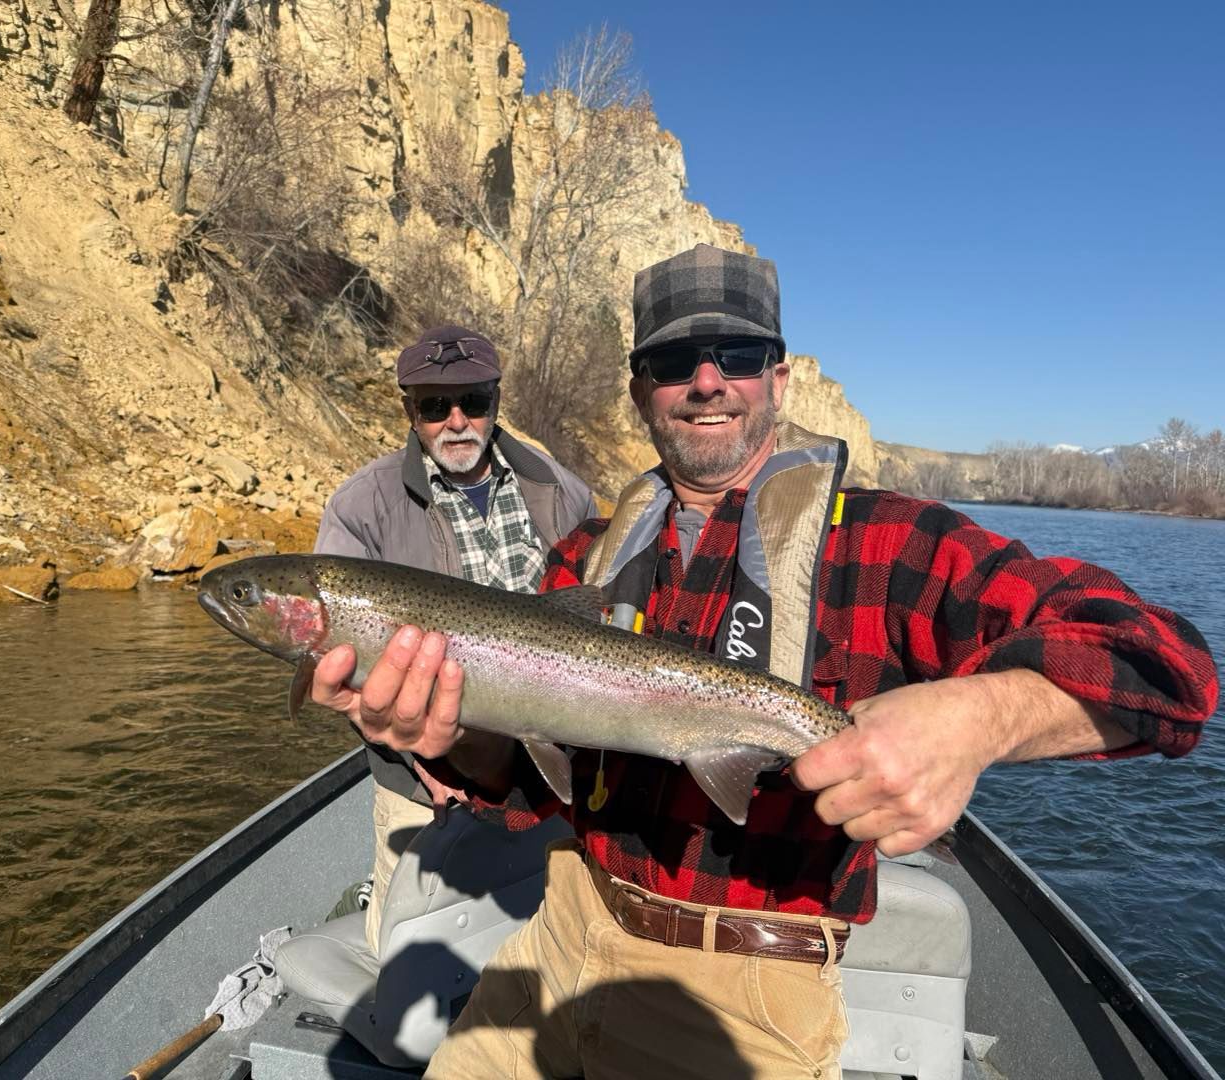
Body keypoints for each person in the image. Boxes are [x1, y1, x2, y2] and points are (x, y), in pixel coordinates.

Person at [310, 246, 1218, 1078]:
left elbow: (1169, 668)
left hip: (744, 1000)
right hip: (556, 936)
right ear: (640, 392)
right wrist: (454, 735)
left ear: (778, 380)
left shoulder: (889, 541)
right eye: (674, 363)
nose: (707, 383)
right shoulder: (581, 558)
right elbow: (526, 789)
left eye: (738, 357)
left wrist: (981, 717)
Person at [314, 323, 597, 955]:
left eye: (474, 401)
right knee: (406, 963)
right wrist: (422, 762)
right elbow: (344, 661)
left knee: (550, 944)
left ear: (498, 401)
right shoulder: (363, 505)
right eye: (435, 406)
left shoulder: (562, 491)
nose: (457, 420)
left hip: (545, 768)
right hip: (426, 783)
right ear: (409, 411)